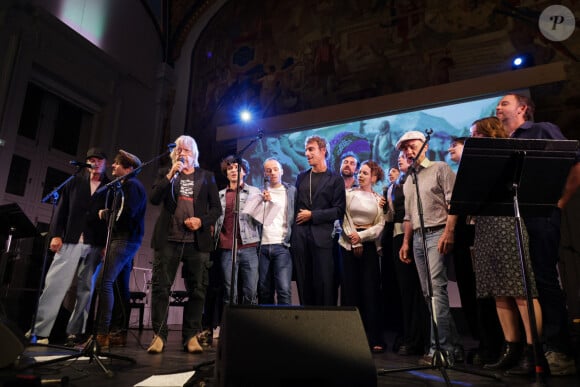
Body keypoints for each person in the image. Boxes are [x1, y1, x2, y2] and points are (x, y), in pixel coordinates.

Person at [496, 93, 579, 375]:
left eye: (504, 103)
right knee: (523, 284)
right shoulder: (505, 144)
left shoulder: (541, 128)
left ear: (523, 108)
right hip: (513, 221)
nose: (498, 107)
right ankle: (536, 352)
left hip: (541, 214)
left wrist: (560, 202)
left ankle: (560, 350)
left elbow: (575, 162)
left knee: (544, 279)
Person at [462, 116, 543, 374]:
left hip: (508, 221)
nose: (473, 138)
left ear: (490, 133)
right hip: (484, 223)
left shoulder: (510, 152)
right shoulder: (475, 160)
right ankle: (511, 349)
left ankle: (533, 352)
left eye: (476, 133)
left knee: (520, 287)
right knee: (497, 288)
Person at [26, 148, 109, 346]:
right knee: (54, 285)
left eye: (98, 160)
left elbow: (111, 219)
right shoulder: (74, 183)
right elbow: (61, 212)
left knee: (85, 289)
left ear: (105, 163)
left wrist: (106, 245)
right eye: (91, 160)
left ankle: (75, 332)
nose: (94, 163)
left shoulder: (110, 187)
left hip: (95, 243)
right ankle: (39, 330)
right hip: (71, 240)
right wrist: (56, 235)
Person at [147, 136, 221, 354]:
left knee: (198, 290)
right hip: (167, 239)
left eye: (187, 150)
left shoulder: (206, 176)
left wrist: (201, 221)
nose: (182, 153)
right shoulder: (165, 173)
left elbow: (216, 209)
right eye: (179, 150)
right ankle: (159, 335)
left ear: (194, 153)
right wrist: (171, 174)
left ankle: (190, 336)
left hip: (196, 242)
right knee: (161, 288)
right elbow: (153, 198)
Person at [397, 130, 463, 365]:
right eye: (403, 148)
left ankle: (440, 350)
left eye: (411, 145)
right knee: (429, 294)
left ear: (424, 146)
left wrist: (449, 231)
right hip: (416, 237)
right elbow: (408, 216)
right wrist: (405, 242)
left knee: (436, 291)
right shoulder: (408, 179)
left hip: (437, 232)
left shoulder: (440, 168)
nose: (407, 151)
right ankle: (453, 347)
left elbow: (453, 202)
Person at [95, 149, 146, 350]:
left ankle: (102, 333)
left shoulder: (131, 185)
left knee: (103, 282)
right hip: (125, 239)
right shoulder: (125, 186)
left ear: (129, 168)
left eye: (117, 163)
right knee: (118, 285)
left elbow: (126, 215)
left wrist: (106, 215)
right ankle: (118, 332)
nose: (113, 166)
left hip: (125, 240)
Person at [291, 135, 346, 306]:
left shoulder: (335, 179)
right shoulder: (301, 177)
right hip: (300, 238)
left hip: (323, 239)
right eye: (306, 150)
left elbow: (338, 210)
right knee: (303, 283)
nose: (307, 153)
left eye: (311, 149)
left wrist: (313, 215)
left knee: (325, 284)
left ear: (323, 150)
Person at [339, 160, 386, 353]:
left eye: (365, 173)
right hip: (348, 244)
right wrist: (355, 240)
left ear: (374, 177)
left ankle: (374, 337)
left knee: (370, 292)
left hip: (369, 247)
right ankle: (349, 337)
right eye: (360, 173)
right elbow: (343, 217)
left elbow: (380, 224)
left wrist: (362, 237)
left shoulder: (379, 199)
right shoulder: (348, 194)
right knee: (350, 291)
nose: (360, 175)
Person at [385, 151, 428, 356]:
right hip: (398, 237)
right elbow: (393, 215)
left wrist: (406, 240)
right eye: (400, 157)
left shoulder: (417, 180)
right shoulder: (395, 185)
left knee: (419, 290)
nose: (400, 159)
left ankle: (422, 337)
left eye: (405, 157)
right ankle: (410, 335)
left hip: (413, 236)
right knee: (405, 291)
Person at [215, 156, 261, 305]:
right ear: (226, 173)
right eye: (230, 168)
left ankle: (249, 327)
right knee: (229, 292)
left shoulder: (255, 192)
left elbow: (260, 219)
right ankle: (230, 326)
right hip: (227, 249)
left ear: (244, 171)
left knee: (251, 292)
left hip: (249, 247)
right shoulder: (220, 195)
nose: (233, 171)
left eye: (237, 168)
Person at [257, 158, 296, 305]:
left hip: (282, 245)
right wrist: (262, 202)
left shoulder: (291, 191)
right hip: (263, 246)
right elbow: (254, 219)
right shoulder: (260, 192)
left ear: (281, 171)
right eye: (268, 170)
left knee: (284, 289)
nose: (272, 172)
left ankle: (285, 325)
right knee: (264, 290)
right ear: (265, 173)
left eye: (275, 169)